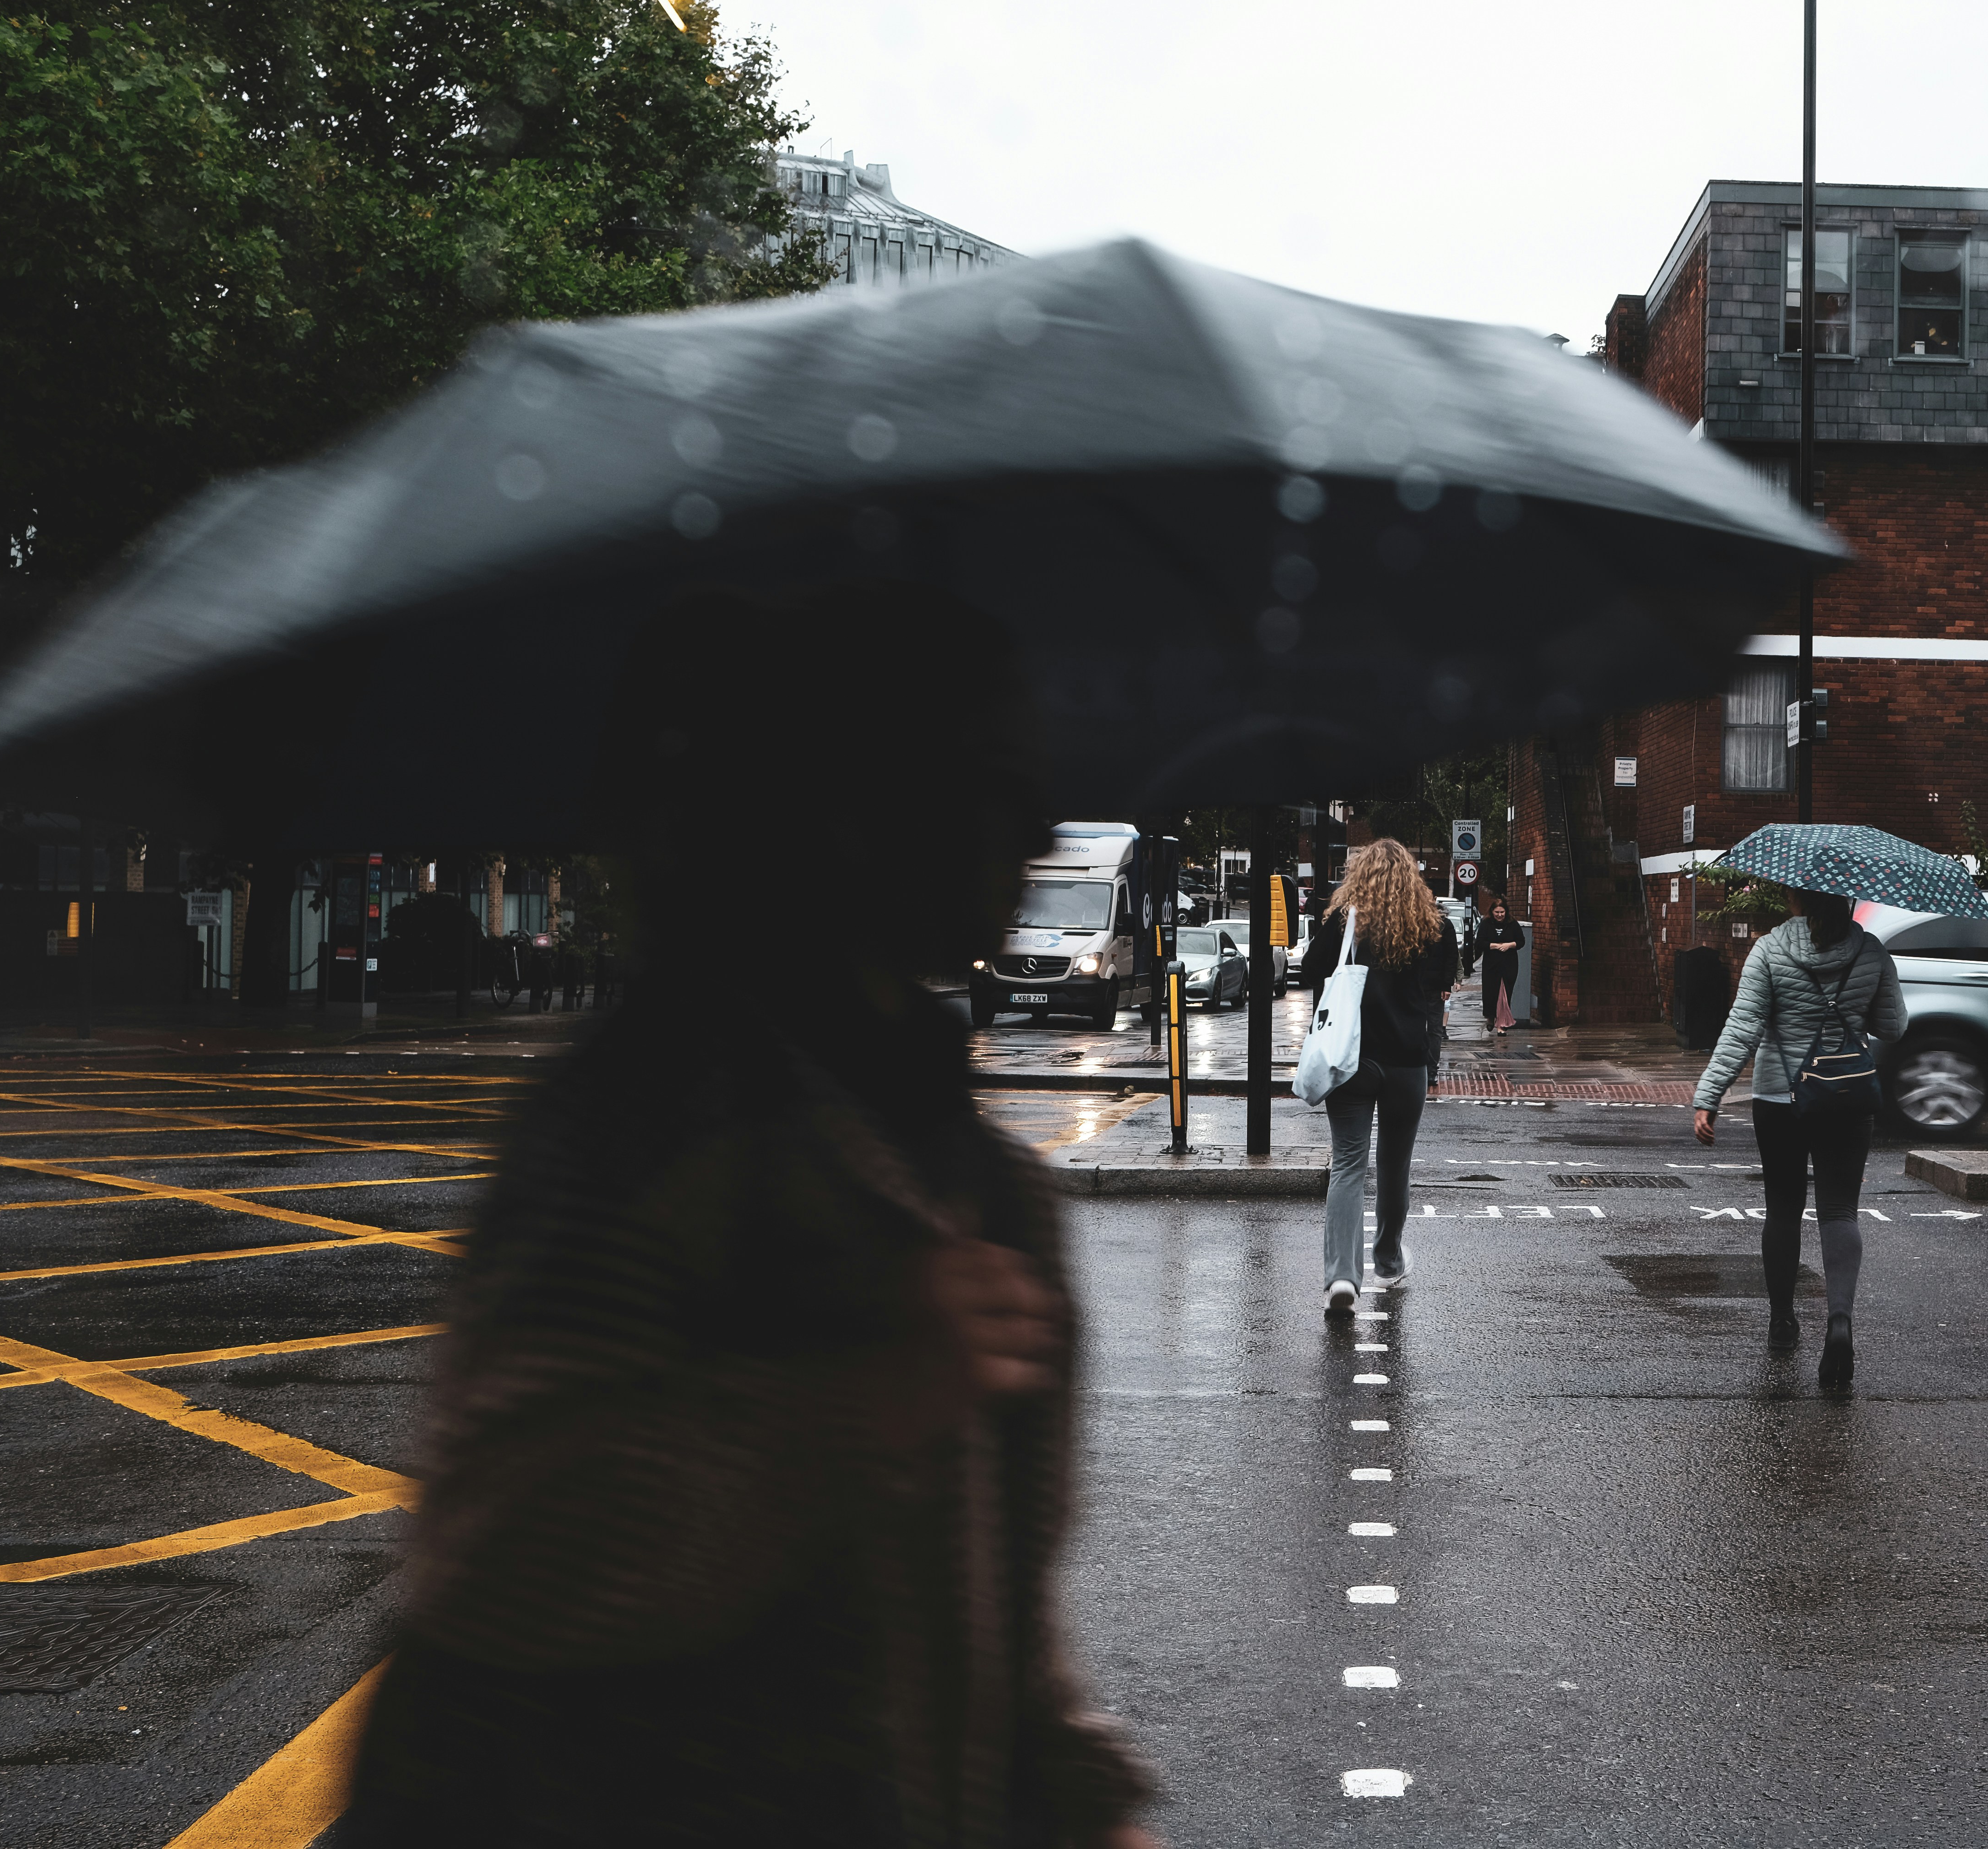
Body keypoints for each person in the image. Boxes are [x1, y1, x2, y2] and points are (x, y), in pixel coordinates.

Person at [335, 584, 1158, 1849]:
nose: (1040, 824)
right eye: (993, 778)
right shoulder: (634, 1130)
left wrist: (1078, 1801)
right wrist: (871, 1396)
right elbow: (512, 1554)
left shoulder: (982, 1178)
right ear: (855, 801)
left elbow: (988, 1613)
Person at [1688, 885, 1905, 1389]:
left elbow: (1743, 1025)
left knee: (1783, 1207)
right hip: (1847, 1097)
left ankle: (1783, 1323)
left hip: (1779, 1098)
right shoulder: (1871, 951)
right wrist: (1853, 1009)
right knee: (1839, 1210)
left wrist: (1709, 1095)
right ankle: (1840, 1322)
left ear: (1795, 900)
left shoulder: (1769, 948)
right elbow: (1893, 1026)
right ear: (1847, 902)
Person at [1298, 838, 1457, 1320]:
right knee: (1394, 1165)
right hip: (1408, 1060)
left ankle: (1342, 1277)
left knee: (1348, 1165)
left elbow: (1309, 971)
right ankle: (1388, 1256)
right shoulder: (1434, 925)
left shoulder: (1341, 921)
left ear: (1359, 876)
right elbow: (1440, 989)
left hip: (1351, 1059)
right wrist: (1431, 1056)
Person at [1475, 897, 1523, 1037]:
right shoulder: (1486, 924)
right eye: (1497, 912)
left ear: (1506, 912)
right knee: (1491, 993)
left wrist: (1509, 945)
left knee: (1505, 994)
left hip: (1509, 965)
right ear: (1492, 912)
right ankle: (1491, 1017)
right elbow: (1479, 943)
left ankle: (1501, 1024)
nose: (1500, 915)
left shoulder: (1513, 924)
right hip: (1491, 965)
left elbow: (1521, 942)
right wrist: (1495, 946)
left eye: (1502, 912)